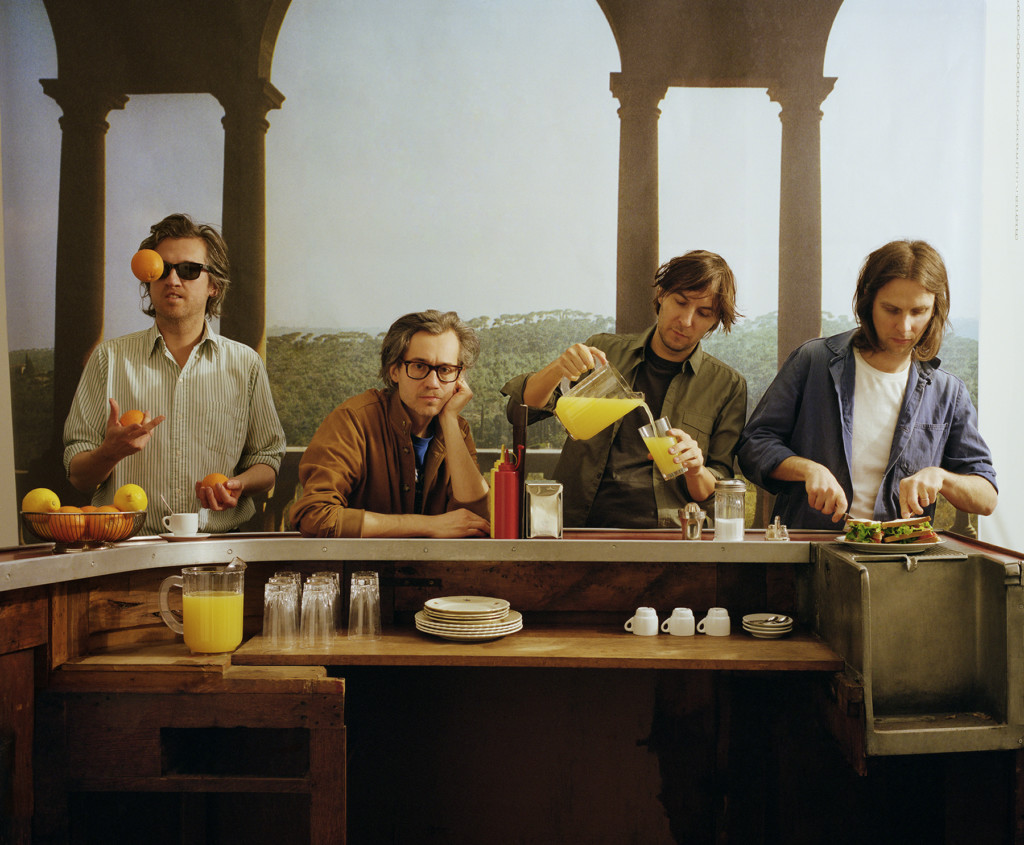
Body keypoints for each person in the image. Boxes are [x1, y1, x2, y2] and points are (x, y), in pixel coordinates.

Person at [737, 239, 997, 529]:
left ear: (936, 309)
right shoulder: (814, 361)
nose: (905, 327)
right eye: (892, 310)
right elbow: (753, 445)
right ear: (868, 302)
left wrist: (941, 477)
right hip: (810, 554)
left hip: (899, 563)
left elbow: (986, 496)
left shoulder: (949, 392)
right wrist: (807, 469)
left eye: (918, 311)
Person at [63, 213, 286, 534]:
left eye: (189, 270)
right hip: (124, 552)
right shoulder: (108, 358)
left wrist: (238, 485)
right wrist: (107, 454)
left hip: (218, 551)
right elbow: (78, 476)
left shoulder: (245, 363)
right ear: (148, 279)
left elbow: (267, 459)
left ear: (214, 285)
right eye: (162, 269)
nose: (173, 279)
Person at [501, 250, 747, 528]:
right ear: (662, 295)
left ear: (715, 322)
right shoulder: (604, 353)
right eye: (681, 302)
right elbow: (521, 410)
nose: (686, 321)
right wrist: (559, 367)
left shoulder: (726, 385)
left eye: (704, 313)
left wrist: (695, 469)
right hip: (579, 524)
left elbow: (715, 486)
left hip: (668, 534)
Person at [290, 310, 490, 538]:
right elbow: (316, 517)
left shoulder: (457, 427)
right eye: (419, 367)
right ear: (394, 370)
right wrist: (429, 525)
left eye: (445, 370)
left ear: (459, 375)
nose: (433, 383)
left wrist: (449, 420)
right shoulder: (353, 420)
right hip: (361, 571)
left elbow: (477, 522)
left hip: (437, 571)